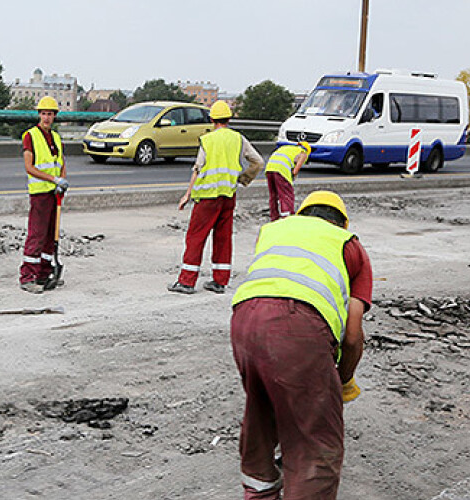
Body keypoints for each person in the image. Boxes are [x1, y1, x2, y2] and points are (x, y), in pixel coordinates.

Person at [229, 191, 372, 499]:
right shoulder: (349, 244)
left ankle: (260, 493)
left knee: (260, 415)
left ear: (304, 213)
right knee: (315, 441)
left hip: (243, 321)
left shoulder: (275, 230)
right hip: (297, 327)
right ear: (342, 222)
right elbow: (352, 336)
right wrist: (344, 381)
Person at [168, 100, 264, 295]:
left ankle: (187, 281)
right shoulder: (239, 139)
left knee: (196, 237)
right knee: (223, 238)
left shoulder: (208, 140)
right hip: (228, 196)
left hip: (206, 197)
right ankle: (220, 281)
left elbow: (198, 168)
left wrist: (187, 195)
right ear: (229, 118)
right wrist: (243, 179)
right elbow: (258, 162)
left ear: (212, 119)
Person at [19, 96, 69, 294]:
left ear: (55, 116)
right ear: (39, 114)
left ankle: (44, 272)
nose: (46, 117)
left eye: (50, 114)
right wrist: (53, 180)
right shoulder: (30, 136)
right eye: (43, 113)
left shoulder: (56, 137)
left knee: (50, 236)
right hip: (40, 193)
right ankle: (27, 276)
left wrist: (62, 181)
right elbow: (29, 167)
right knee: (37, 235)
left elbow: (61, 163)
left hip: (54, 194)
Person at [264, 141, 310, 221]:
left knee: (273, 195)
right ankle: (287, 217)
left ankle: (274, 217)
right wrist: (293, 177)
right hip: (281, 170)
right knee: (286, 194)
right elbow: (295, 171)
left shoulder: (287, 148)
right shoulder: (303, 153)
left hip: (269, 168)